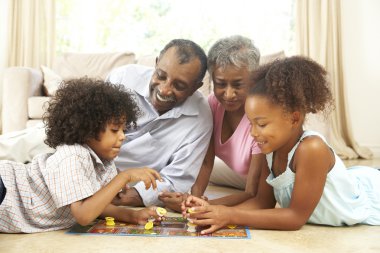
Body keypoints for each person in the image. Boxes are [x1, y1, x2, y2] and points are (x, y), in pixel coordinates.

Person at [0, 39, 212, 207]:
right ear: (156, 63)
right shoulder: (124, 77)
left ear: (196, 87)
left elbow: (177, 179)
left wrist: (135, 195)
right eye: (161, 76)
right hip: (78, 151)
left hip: (118, 174)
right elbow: (85, 125)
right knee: (18, 148)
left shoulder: (200, 118)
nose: (165, 89)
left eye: (179, 85)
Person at [182, 56, 380, 234]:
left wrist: (229, 216)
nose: (252, 133)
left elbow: (295, 218)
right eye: (250, 123)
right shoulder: (271, 151)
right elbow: (262, 202)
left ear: (294, 119)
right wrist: (213, 211)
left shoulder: (312, 149)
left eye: (261, 124)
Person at [0, 78, 163, 233]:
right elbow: (84, 215)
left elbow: (96, 206)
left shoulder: (105, 162)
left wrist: (133, 215)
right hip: (8, 190)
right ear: (88, 129)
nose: (122, 136)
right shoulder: (74, 155)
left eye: (123, 130)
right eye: (115, 130)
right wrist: (124, 177)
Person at [159, 35, 266, 211]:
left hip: (260, 178)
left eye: (238, 85)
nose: (229, 94)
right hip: (234, 172)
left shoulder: (260, 116)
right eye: (221, 84)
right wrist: (194, 198)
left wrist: (205, 206)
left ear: (253, 80)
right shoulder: (212, 105)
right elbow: (206, 162)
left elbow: (252, 193)